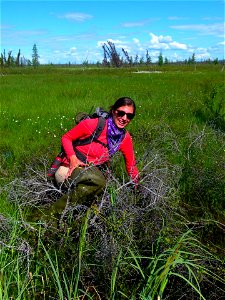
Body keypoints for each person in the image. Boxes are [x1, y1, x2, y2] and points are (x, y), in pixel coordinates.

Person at [35, 97, 139, 224]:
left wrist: (137, 188)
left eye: (129, 116)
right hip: (68, 169)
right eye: (121, 113)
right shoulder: (95, 124)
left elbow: (131, 165)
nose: (124, 118)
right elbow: (66, 138)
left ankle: (74, 226)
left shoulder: (124, 138)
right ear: (113, 111)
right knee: (98, 183)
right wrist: (73, 159)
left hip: (89, 172)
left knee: (97, 189)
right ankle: (49, 215)